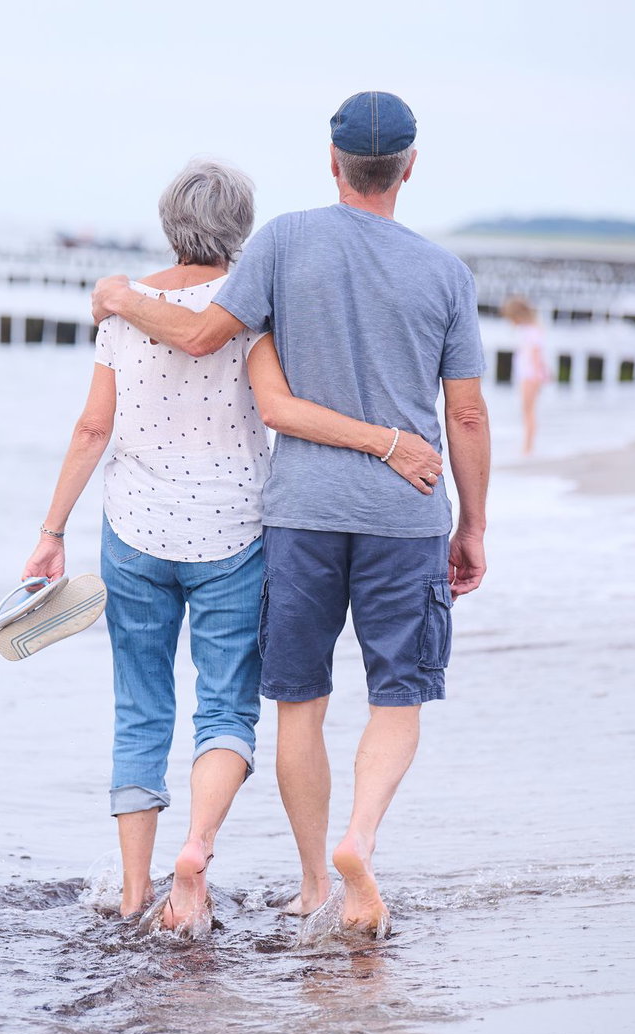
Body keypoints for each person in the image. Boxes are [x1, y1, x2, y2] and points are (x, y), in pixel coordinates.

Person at [91, 91, 491, 940]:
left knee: (298, 701)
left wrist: (122, 298)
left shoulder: (280, 241)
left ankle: (314, 879)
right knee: (398, 695)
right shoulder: (446, 273)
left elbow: (200, 337)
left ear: (333, 162)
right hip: (406, 512)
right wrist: (474, 525)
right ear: (409, 168)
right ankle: (360, 839)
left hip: (301, 513)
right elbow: (465, 417)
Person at [19, 159, 269, 932]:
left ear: (169, 223)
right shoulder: (254, 308)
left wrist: (51, 531)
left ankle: (133, 893)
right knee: (225, 704)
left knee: (140, 707)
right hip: (234, 530)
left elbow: (94, 428)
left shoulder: (121, 310)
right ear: (242, 228)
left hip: (134, 529)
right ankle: (194, 850)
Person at [502, 296, 549, 456]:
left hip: (530, 375)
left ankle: (528, 447)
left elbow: (536, 355)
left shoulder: (531, 331)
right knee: (528, 410)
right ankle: (528, 445)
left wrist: (538, 375)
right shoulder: (530, 329)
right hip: (528, 374)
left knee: (528, 410)